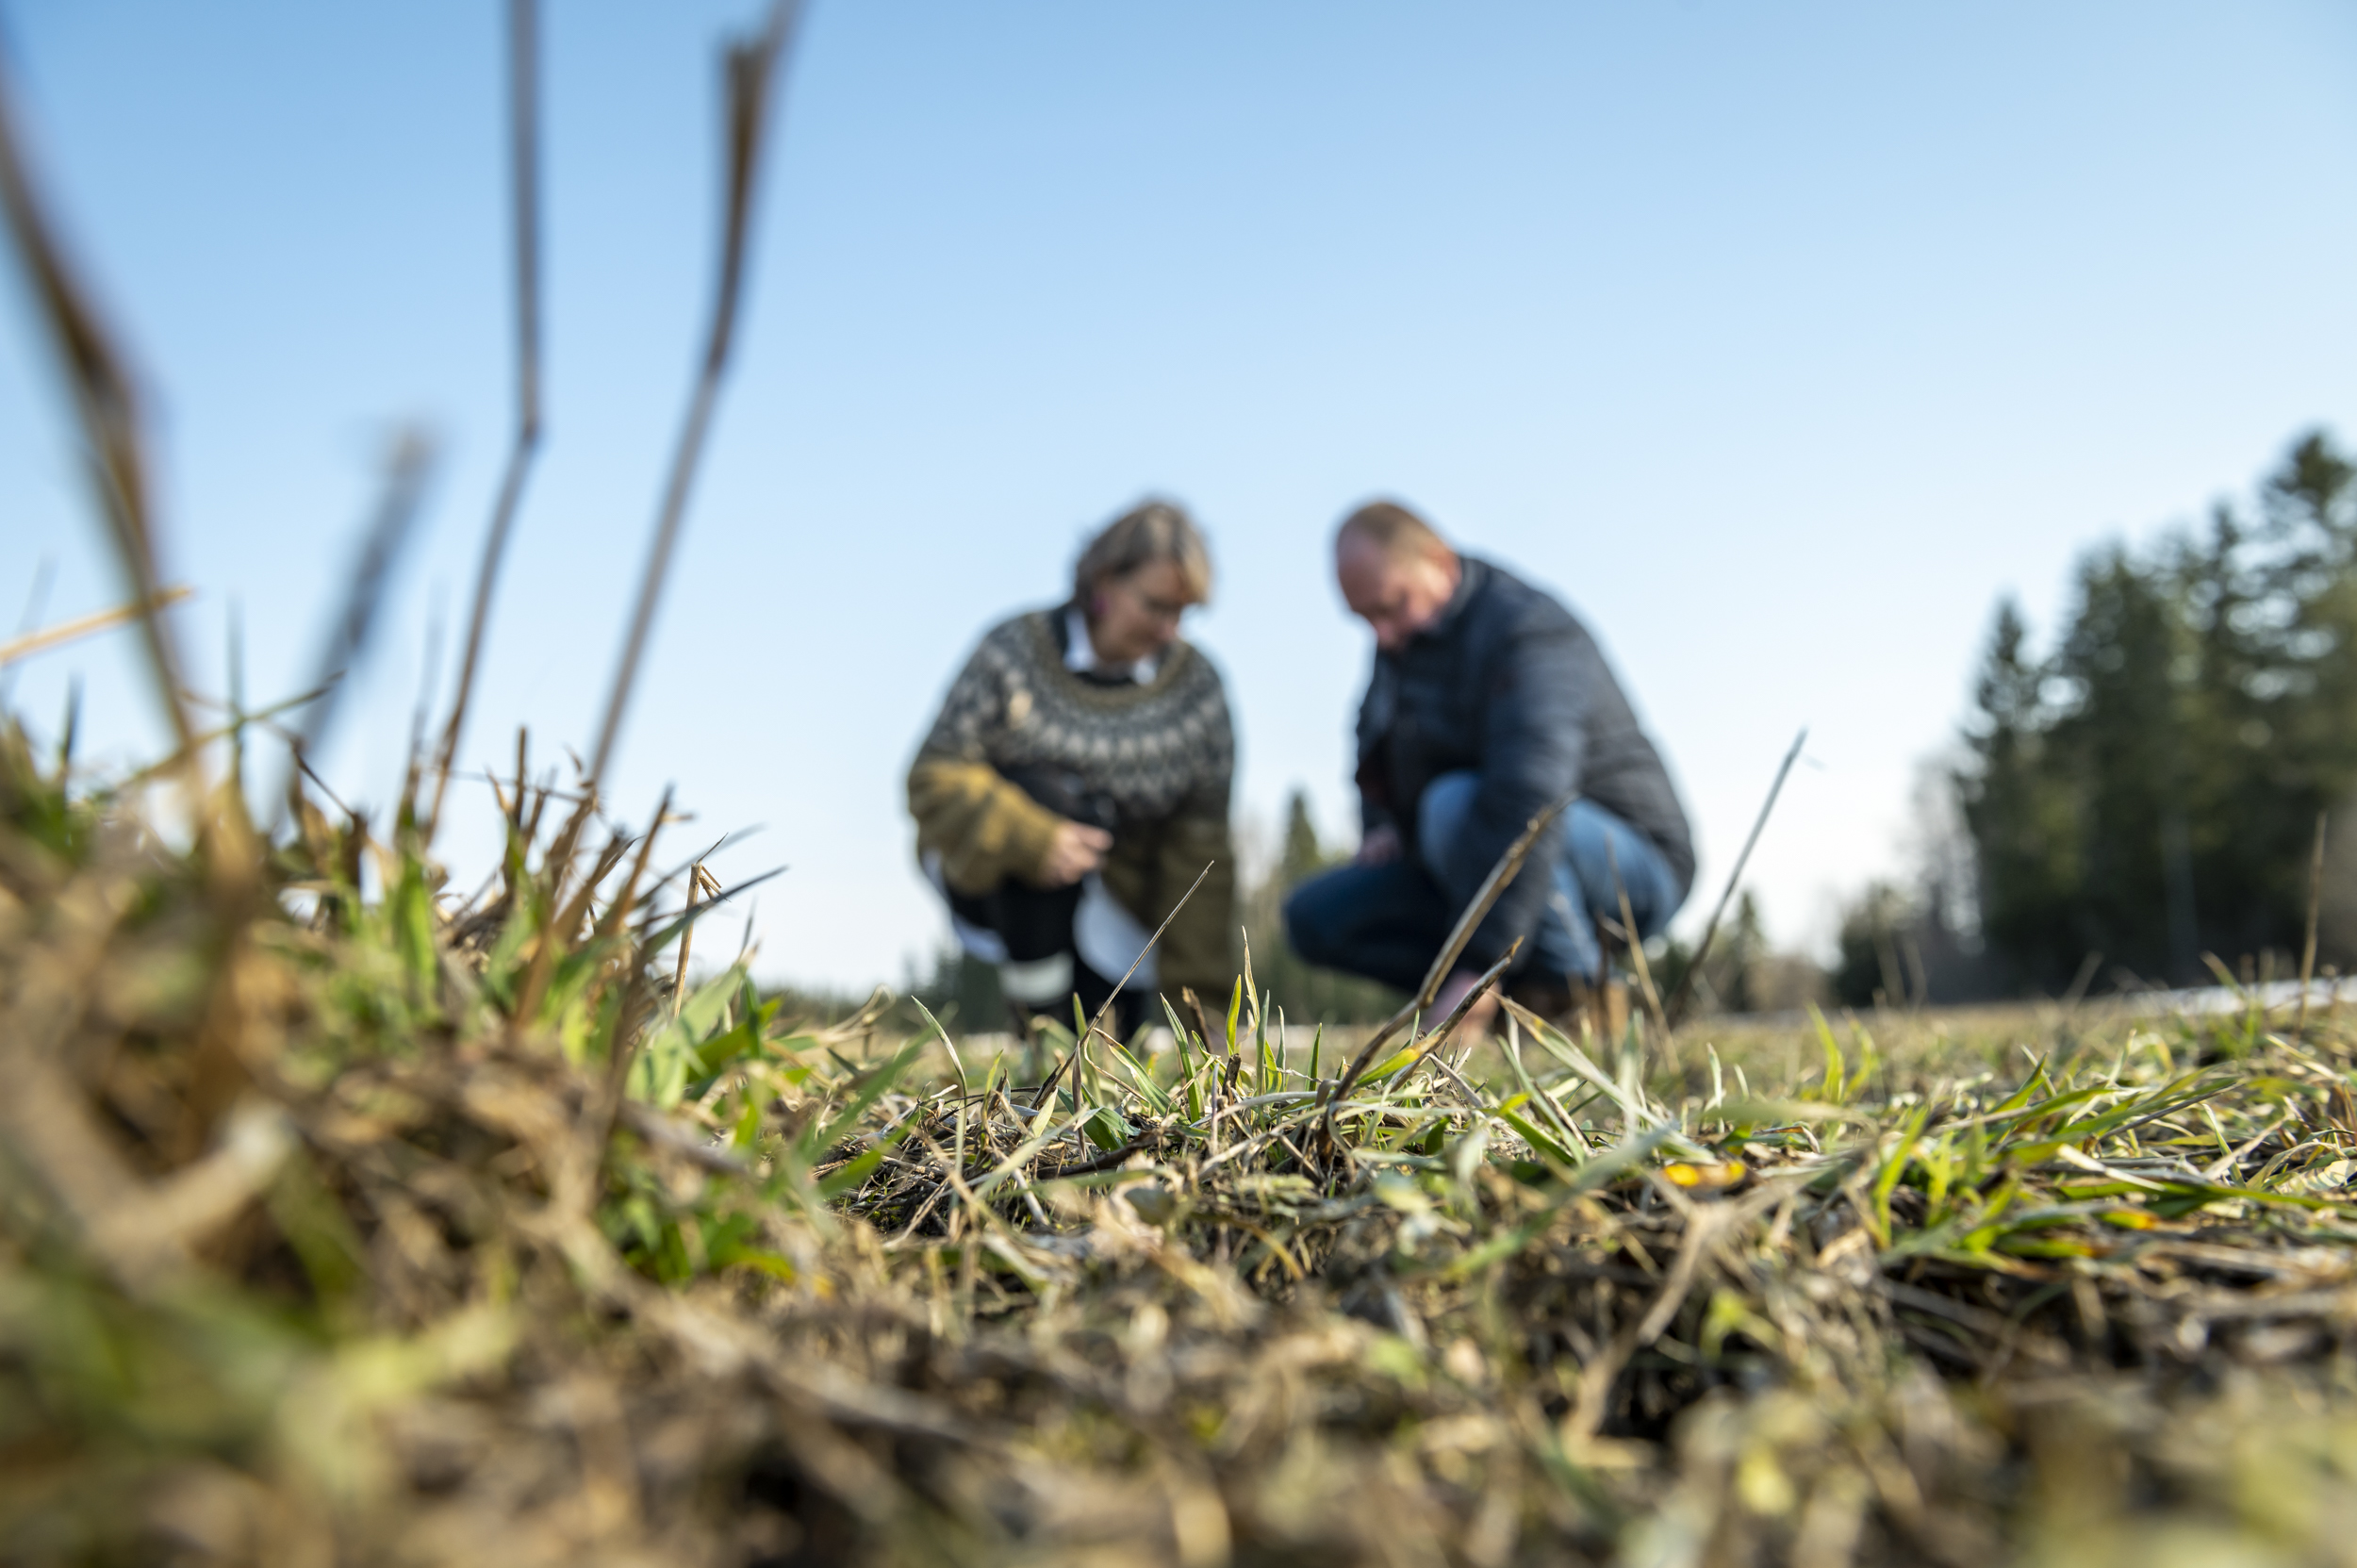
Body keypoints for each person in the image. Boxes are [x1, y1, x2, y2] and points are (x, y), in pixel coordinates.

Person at [1283, 501, 1693, 1032]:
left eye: (1391, 607)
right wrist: (1381, 824)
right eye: (1365, 619)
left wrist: (1473, 966)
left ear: (1438, 561)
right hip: (1477, 862)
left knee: (1450, 806)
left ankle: (1577, 999)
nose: (1380, 635)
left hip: (1628, 862)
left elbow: (1529, 799)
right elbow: (1374, 744)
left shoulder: (1529, 631)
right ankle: (1520, 992)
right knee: (1316, 918)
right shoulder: (1400, 646)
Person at [907, 501, 1236, 1036]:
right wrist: (1030, 836)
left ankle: (1099, 1014)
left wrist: (1206, 1016)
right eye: (1154, 606)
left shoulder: (1198, 692)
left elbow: (1200, 853)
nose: (1167, 629)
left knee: (1108, 1049)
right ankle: (1036, 1028)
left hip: (1122, 909)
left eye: (1181, 613)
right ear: (1104, 581)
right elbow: (932, 776)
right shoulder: (1012, 653)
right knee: (1044, 795)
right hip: (1001, 888)